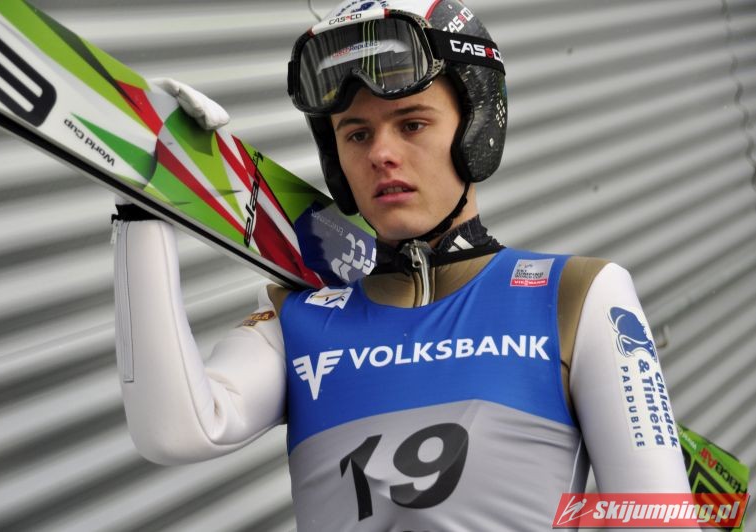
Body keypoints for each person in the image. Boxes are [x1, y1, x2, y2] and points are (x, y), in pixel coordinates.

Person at [112, 1, 692, 530]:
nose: (381, 154)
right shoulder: (300, 317)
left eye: (412, 124)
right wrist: (143, 207)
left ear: (477, 129)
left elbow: (659, 521)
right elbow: (176, 431)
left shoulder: (574, 296)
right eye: (356, 134)